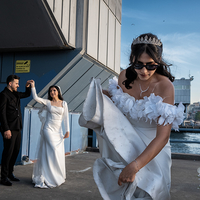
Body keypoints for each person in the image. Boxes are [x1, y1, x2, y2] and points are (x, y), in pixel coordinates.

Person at [79, 33, 185, 200]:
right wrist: (107, 97)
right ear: (132, 59)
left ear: (158, 61)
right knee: (125, 192)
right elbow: (122, 107)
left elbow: (163, 137)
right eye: (138, 64)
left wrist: (135, 166)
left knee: (153, 192)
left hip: (154, 148)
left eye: (150, 65)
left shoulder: (165, 86)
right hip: (125, 142)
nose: (143, 71)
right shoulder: (124, 77)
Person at [30, 80, 70, 188]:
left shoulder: (64, 103)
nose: (52, 92)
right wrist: (33, 86)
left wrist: (68, 131)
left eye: (54, 90)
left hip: (58, 131)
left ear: (58, 92)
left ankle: (55, 175)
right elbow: (36, 98)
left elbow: (66, 118)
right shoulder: (48, 103)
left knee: (57, 152)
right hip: (48, 129)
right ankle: (47, 175)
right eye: (51, 91)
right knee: (53, 149)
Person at [0, 75, 31, 186]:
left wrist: (28, 87)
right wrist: (6, 129)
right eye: (16, 83)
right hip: (9, 128)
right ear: (10, 83)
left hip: (17, 127)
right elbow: (2, 114)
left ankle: (9, 173)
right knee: (8, 152)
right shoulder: (3, 95)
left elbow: (27, 94)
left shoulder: (15, 94)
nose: (18, 85)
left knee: (15, 151)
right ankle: (3, 177)